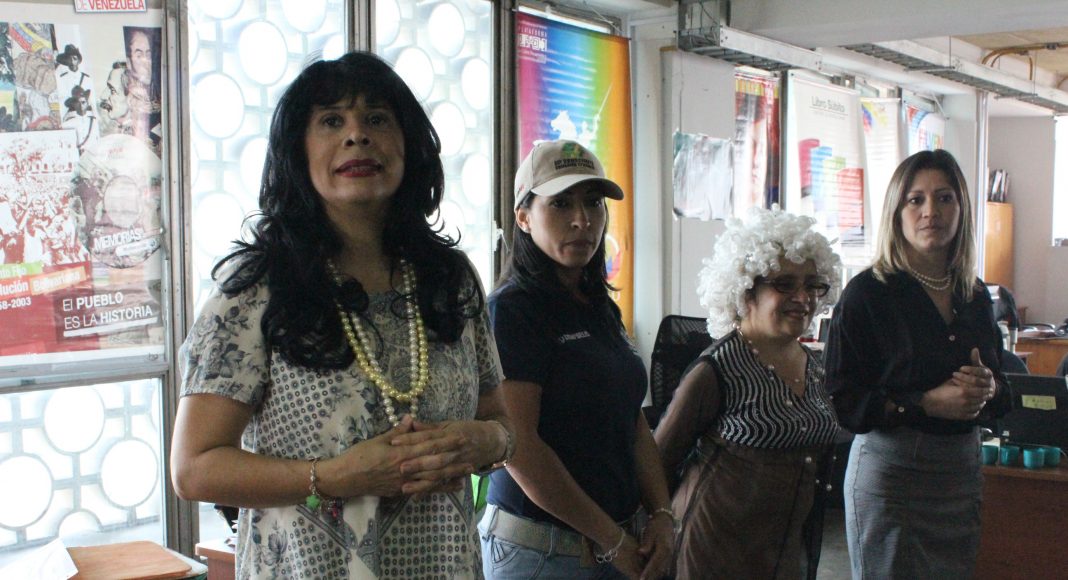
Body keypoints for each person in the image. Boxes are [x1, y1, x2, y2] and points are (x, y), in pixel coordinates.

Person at [170, 51, 515, 579]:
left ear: (408, 143)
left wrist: (487, 442)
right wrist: (331, 476)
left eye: (377, 118)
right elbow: (194, 468)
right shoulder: (255, 286)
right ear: (298, 150)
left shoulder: (450, 279)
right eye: (332, 121)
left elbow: (500, 419)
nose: (357, 136)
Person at [481, 139, 674, 580]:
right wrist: (612, 540)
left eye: (593, 202)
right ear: (524, 217)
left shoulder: (597, 304)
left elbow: (632, 420)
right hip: (542, 552)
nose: (582, 220)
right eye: (561, 203)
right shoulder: (512, 310)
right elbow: (520, 447)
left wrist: (662, 514)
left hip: (617, 541)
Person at [824, 149, 1013, 579]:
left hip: (960, 476)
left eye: (945, 198)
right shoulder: (867, 294)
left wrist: (989, 388)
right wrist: (924, 402)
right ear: (897, 211)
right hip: (893, 478)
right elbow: (841, 401)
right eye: (917, 200)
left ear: (962, 209)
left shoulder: (975, 295)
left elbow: (1005, 388)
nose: (931, 211)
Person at [654, 206, 842, 580]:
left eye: (811, 284)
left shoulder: (814, 365)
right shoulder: (717, 369)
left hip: (782, 555)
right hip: (711, 555)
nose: (803, 297)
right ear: (746, 290)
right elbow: (657, 462)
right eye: (785, 284)